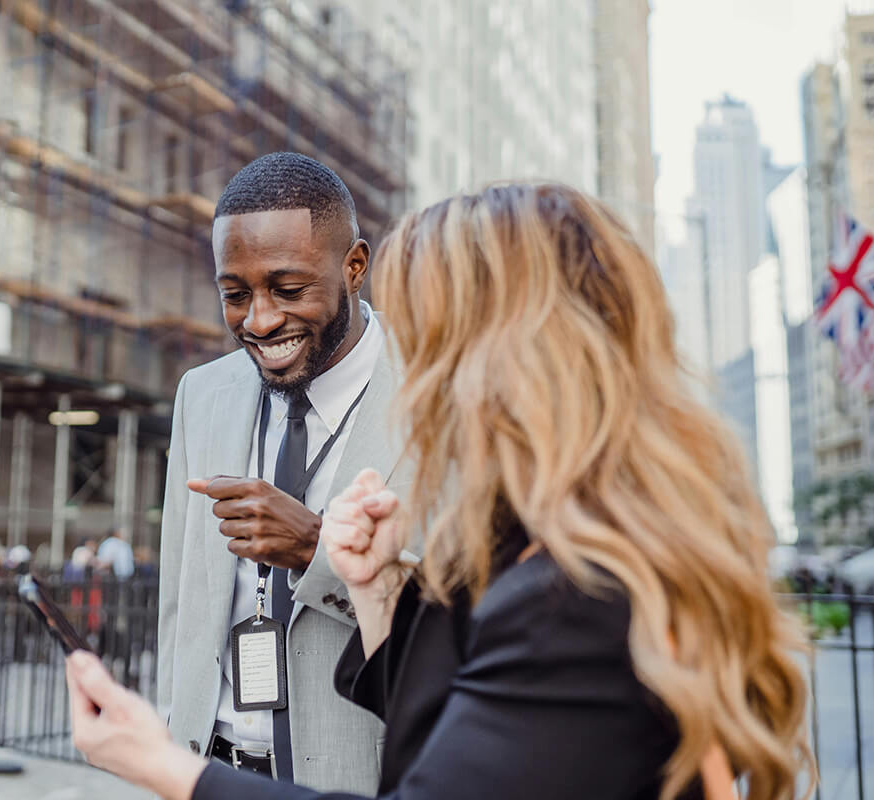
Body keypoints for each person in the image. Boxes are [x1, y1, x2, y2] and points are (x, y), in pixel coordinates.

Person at [63, 183, 814, 800]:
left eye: (427, 339)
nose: (412, 373)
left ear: (506, 360)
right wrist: (375, 591)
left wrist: (162, 765)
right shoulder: (569, 547)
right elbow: (458, 728)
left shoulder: (578, 600)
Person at [153, 152, 409, 793]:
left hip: (359, 781)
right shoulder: (201, 393)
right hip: (210, 771)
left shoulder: (442, 397)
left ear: (354, 267)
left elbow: (467, 622)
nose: (259, 321)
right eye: (234, 295)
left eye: (288, 290)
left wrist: (317, 548)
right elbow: (181, 603)